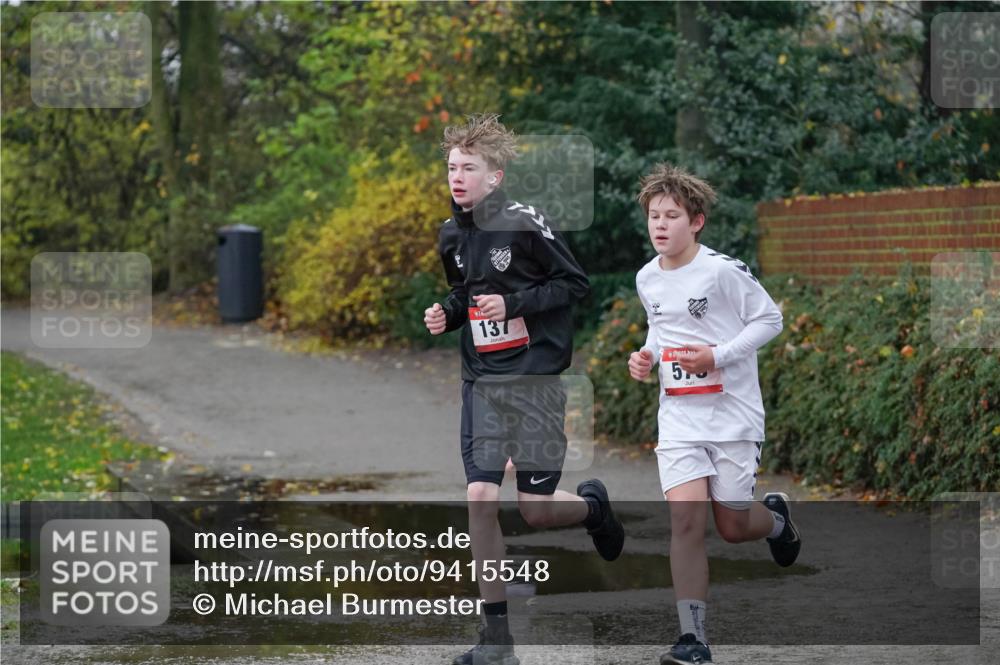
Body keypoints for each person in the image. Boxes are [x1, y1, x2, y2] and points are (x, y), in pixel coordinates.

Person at [424, 114, 625, 665]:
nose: (457, 177)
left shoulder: (525, 223)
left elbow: (574, 284)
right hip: (482, 383)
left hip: (534, 379)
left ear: (496, 174)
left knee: (535, 510)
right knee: (481, 498)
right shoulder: (451, 233)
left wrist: (513, 304)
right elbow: (465, 295)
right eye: (451, 167)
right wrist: (448, 312)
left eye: (469, 168)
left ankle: (592, 510)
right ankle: (497, 642)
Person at [626, 163, 801, 665]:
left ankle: (776, 521)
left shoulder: (723, 271)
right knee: (685, 522)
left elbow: (770, 319)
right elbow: (660, 331)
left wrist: (718, 356)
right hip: (680, 418)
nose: (660, 225)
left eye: (672, 216)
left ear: (696, 221)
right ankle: (693, 638)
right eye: (654, 216)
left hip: (732, 416)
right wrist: (647, 356)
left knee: (731, 525)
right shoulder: (647, 278)